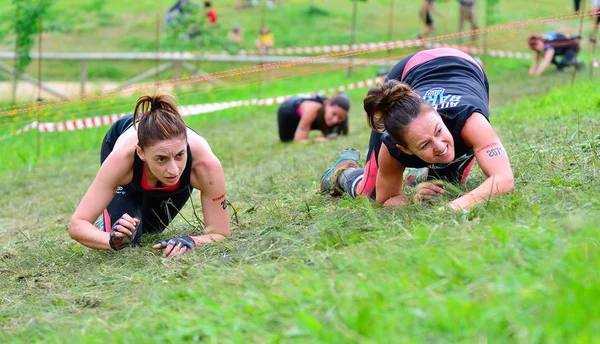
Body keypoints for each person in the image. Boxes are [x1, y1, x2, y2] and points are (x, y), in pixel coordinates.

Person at [320, 48, 514, 211]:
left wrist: (451, 208)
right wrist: (412, 199)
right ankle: (342, 171)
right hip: (409, 70)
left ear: (439, 116)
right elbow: (386, 200)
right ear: (403, 149)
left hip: (467, 67)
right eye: (424, 144)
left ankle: (419, 174)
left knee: (448, 188)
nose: (440, 146)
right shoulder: (392, 147)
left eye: (439, 131)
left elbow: (504, 179)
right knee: (369, 192)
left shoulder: (471, 122)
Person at [68, 94, 230, 257]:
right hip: (123, 149)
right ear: (141, 153)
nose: (174, 170)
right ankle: (105, 222)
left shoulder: (205, 165)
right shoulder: (121, 160)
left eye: (180, 155)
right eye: (161, 159)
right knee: (128, 241)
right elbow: (77, 225)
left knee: (146, 232)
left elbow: (220, 233)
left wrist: (191, 241)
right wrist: (110, 240)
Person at [277, 93, 351, 143]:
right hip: (288, 110)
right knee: (287, 140)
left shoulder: (342, 113)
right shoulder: (311, 109)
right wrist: (317, 140)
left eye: (340, 118)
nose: (335, 120)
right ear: (328, 105)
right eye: (333, 114)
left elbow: (342, 133)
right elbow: (299, 140)